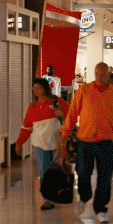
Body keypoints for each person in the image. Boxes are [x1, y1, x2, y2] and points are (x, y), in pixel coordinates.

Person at [61, 62, 113, 224]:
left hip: (105, 142)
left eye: (102, 74)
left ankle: (101, 208)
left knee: (105, 177)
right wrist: (65, 131)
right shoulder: (84, 90)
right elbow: (73, 112)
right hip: (85, 140)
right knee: (83, 173)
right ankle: (84, 197)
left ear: (108, 76)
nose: (99, 76)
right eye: (96, 74)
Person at [17, 78, 68, 210]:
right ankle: (48, 200)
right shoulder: (32, 107)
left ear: (45, 88)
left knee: (57, 170)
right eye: (34, 88)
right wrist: (19, 143)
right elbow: (26, 127)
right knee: (44, 172)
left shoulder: (58, 102)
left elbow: (70, 118)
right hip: (39, 144)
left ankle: (57, 193)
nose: (36, 91)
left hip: (57, 142)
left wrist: (61, 115)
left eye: (38, 88)